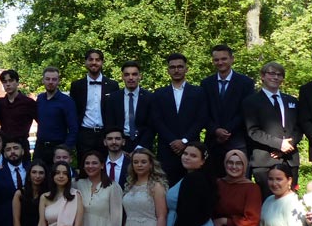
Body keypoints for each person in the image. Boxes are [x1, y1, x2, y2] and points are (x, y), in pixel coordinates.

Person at [244, 61, 302, 198]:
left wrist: (287, 146)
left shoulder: (291, 101)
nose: (275, 77)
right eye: (271, 73)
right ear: (263, 76)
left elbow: (299, 127)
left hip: (290, 159)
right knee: (268, 201)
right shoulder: (250, 102)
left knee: (290, 201)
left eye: (279, 74)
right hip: (265, 160)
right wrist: (279, 144)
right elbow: (253, 131)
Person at [152, 53, 207, 186]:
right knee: (165, 186)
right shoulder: (159, 94)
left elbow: (201, 119)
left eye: (180, 67)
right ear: (168, 70)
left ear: (186, 69)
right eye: (173, 67)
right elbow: (156, 120)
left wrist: (184, 141)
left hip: (191, 148)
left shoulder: (198, 92)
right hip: (167, 149)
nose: (176, 70)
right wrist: (172, 140)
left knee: (192, 187)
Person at [201, 44, 256, 176]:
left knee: (239, 178)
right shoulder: (206, 83)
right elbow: (202, 111)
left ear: (232, 59)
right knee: (213, 180)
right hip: (213, 142)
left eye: (224, 59)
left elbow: (246, 111)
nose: (220, 62)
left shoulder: (246, 83)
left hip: (237, 139)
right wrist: (215, 130)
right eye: (216, 60)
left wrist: (227, 131)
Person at [69, 50, 119, 165]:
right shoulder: (76, 86)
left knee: (107, 167)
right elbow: (74, 112)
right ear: (86, 62)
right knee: (85, 167)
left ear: (102, 62)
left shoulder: (113, 85)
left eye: (97, 60)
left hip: (106, 134)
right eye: (91, 59)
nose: (94, 62)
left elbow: (115, 111)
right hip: (84, 135)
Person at [102, 60, 154, 154]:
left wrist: (140, 148)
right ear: (122, 77)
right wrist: (119, 147)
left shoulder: (149, 98)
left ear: (140, 76)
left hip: (143, 144)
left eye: (134, 74)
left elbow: (151, 126)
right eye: (127, 75)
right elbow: (109, 124)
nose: (131, 78)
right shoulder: (113, 98)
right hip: (119, 144)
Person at [35, 66, 78, 164]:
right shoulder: (40, 99)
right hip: (40, 148)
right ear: (43, 80)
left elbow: (73, 129)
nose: (50, 82)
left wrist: (66, 148)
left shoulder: (67, 101)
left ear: (58, 81)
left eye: (54, 79)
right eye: (47, 79)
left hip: (58, 148)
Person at [0, 68, 37, 155]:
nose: (8, 84)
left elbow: (41, 121)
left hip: (22, 145)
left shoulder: (28, 102)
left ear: (17, 82)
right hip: (5, 146)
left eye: (11, 81)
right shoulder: (0, 103)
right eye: (5, 82)